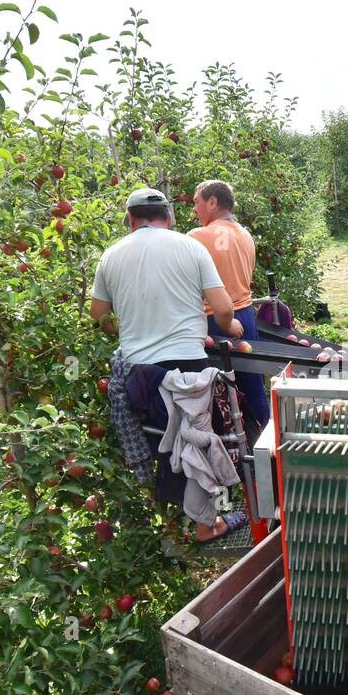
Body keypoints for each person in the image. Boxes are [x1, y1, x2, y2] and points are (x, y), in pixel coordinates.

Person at [90, 188, 244, 542]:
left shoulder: (111, 255)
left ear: (130, 220)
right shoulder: (191, 247)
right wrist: (228, 326)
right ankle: (209, 524)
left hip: (140, 375)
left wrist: (122, 327)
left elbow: (97, 315)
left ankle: (170, 520)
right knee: (200, 441)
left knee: (161, 442)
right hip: (188, 370)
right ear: (170, 217)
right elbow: (222, 309)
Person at [188, 180, 269, 427]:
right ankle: (267, 446)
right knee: (252, 387)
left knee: (214, 394)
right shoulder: (245, 235)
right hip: (245, 317)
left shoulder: (196, 237)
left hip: (212, 320)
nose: (194, 209)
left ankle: (227, 453)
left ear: (212, 202)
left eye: (196, 203)